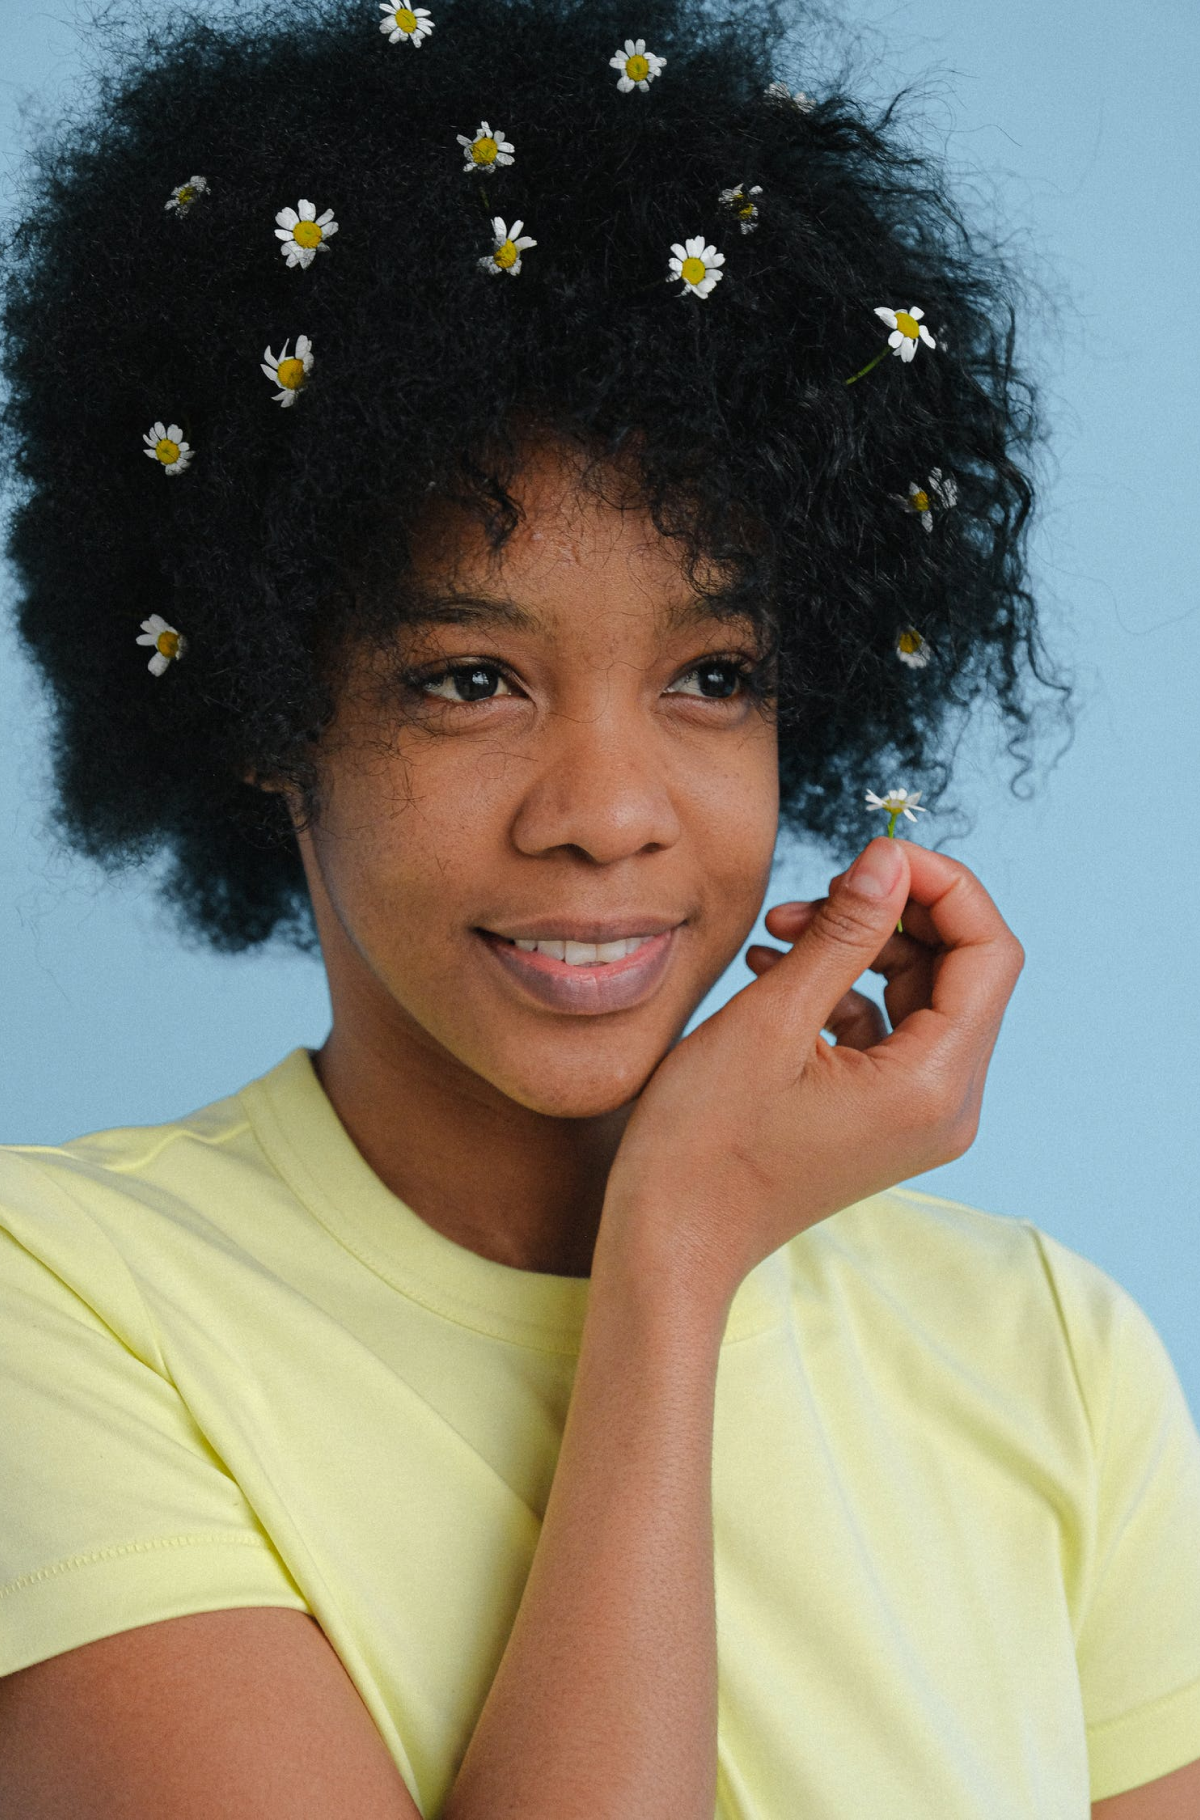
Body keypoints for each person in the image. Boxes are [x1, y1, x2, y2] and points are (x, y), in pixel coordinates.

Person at [0, 1, 1197, 1815]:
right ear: (262, 706)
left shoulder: (1048, 1353)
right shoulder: (65, 1304)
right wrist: (676, 1253)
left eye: (713, 674)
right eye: (469, 680)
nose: (611, 816)